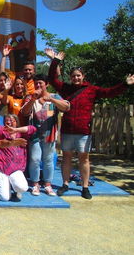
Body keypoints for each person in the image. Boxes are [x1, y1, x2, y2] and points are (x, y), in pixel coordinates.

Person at [46, 48, 133, 199]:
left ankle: (85, 186)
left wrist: (125, 84)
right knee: (66, 158)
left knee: (84, 158)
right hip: (67, 130)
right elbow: (52, 79)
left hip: (83, 132)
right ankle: (65, 184)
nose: (76, 78)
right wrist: (56, 61)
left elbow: (109, 92)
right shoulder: (66, 89)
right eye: (73, 76)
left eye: (78, 76)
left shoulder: (91, 90)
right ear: (70, 77)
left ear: (83, 76)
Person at [20, 74, 70, 196]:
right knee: (35, 159)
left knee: (48, 160)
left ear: (46, 84)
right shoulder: (30, 97)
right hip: (34, 136)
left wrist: (51, 100)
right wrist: (33, 99)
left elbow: (67, 107)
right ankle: (35, 183)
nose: (38, 85)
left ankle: (48, 184)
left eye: (40, 83)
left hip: (50, 135)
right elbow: (24, 112)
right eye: (36, 83)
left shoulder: (55, 97)